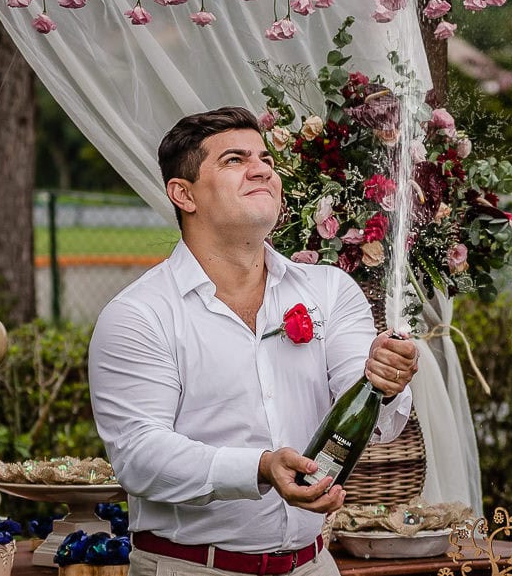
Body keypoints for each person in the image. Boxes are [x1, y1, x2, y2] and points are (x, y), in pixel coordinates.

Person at [89, 106, 418, 576]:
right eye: (234, 160)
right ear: (184, 194)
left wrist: (385, 380)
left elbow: (376, 417)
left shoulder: (330, 290)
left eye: (265, 158)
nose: (262, 169)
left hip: (314, 566)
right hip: (194, 569)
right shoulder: (139, 315)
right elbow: (140, 457)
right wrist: (259, 468)